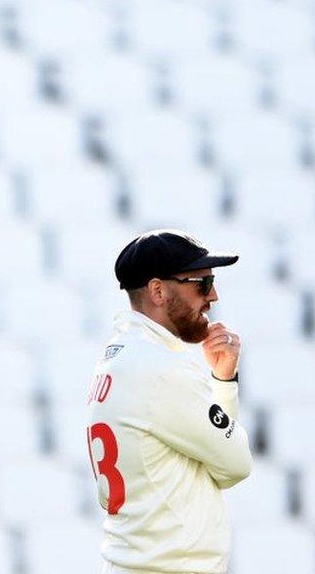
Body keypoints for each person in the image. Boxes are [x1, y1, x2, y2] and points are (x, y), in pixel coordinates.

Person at [86, 229, 253, 574]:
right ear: (158, 290)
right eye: (201, 284)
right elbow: (235, 465)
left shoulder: (119, 358)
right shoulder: (161, 370)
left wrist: (221, 378)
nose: (213, 296)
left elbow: (220, 463)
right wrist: (224, 384)